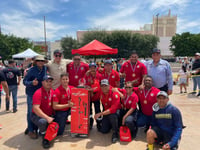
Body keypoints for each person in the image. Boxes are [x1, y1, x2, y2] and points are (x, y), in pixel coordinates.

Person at [23, 55, 47, 139]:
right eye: (39, 61)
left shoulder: (44, 68)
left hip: (40, 93)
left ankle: (35, 127)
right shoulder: (31, 70)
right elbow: (24, 81)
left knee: (39, 111)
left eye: (42, 61)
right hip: (31, 93)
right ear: (36, 62)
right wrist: (31, 83)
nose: (40, 62)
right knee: (31, 112)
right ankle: (30, 130)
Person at [31, 75, 55, 149]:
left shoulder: (52, 91)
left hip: (49, 114)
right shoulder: (38, 93)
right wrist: (47, 118)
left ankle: (36, 127)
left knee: (59, 129)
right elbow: (36, 109)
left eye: (50, 81)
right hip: (37, 115)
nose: (49, 83)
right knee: (42, 122)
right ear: (42, 82)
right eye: (46, 81)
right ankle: (44, 138)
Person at [94, 79, 121, 143]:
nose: (104, 87)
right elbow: (93, 94)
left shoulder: (114, 93)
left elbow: (113, 109)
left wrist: (100, 114)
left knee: (112, 116)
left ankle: (115, 133)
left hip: (116, 112)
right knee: (104, 130)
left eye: (105, 86)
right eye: (102, 86)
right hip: (107, 111)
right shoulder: (101, 92)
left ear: (109, 86)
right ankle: (111, 125)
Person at [84, 62, 102, 129]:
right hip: (89, 96)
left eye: (94, 67)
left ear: (96, 68)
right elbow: (85, 85)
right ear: (89, 68)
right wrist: (89, 89)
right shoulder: (87, 75)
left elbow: (101, 85)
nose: (92, 69)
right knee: (89, 111)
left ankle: (99, 124)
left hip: (97, 96)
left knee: (98, 110)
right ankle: (90, 124)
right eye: (91, 68)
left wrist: (94, 90)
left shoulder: (99, 75)